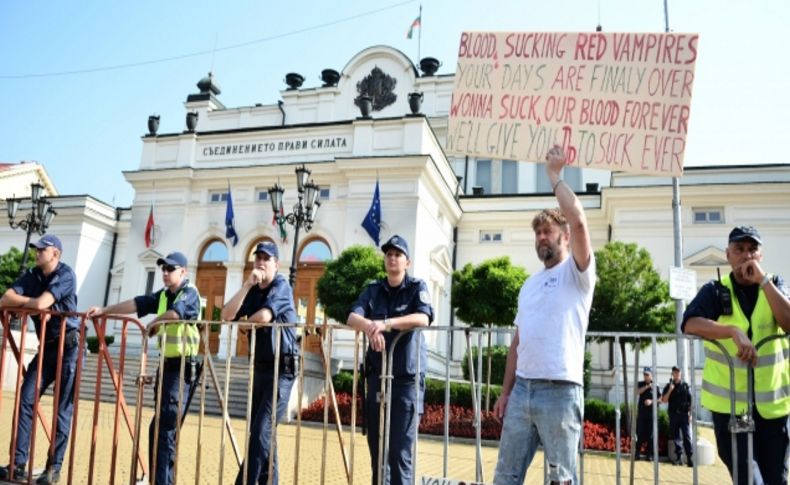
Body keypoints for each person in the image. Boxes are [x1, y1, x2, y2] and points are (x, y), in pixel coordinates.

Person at [492, 145, 595, 485]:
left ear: (564, 237)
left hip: (561, 392)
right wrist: (506, 393)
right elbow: (517, 343)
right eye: (537, 233)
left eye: (547, 231)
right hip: (522, 391)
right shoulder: (529, 285)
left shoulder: (578, 274)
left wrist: (555, 177)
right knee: (505, 478)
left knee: (561, 481)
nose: (541, 238)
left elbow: (579, 221)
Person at [683, 225, 790, 485]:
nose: (746, 256)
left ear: (761, 256)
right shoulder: (714, 290)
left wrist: (763, 281)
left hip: (773, 410)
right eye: (739, 249)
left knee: (776, 480)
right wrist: (732, 331)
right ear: (728, 254)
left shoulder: (774, 284)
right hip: (731, 410)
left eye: (752, 250)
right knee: (748, 480)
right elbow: (689, 324)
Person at [86, 251, 201, 485]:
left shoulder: (190, 292)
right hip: (166, 369)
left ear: (183, 271)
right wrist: (105, 310)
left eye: (171, 269)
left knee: (165, 431)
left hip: (181, 371)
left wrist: (156, 322)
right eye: (163, 269)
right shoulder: (163, 295)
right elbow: (138, 302)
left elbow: (176, 314)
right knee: (158, 429)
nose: (165, 273)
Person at [346, 234, 434, 485]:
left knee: (399, 453)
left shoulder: (417, 287)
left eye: (398, 254)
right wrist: (370, 327)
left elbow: (423, 318)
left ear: (407, 262)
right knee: (378, 451)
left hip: (406, 381)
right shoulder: (373, 290)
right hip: (377, 379)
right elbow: (352, 316)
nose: (392, 258)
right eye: (389, 254)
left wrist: (385, 323)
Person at [0, 235, 80, 485]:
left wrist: (33, 305)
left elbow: (45, 302)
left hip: (69, 348)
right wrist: (33, 304)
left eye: (41, 250)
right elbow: (4, 299)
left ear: (55, 253)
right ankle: (18, 462)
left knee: (62, 410)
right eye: (35, 249)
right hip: (46, 348)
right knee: (26, 399)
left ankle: (53, 469)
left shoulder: (66, 274)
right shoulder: (34, 275)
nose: (36, 253)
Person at [220, 241, 298, 485]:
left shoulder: (281, 286)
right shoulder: (253, 290)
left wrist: (243, 326)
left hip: (282, 371)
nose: (261, 263)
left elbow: (264, 317)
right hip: (262, 368)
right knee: (265, 434)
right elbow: (225, 315)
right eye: (258, 258)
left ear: (276, 263)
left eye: (266, 258)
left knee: (260, 432)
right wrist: (246, 285)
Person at [660, 365, 694, 466]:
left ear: (680, 374)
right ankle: (679, 458)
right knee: (676, 437)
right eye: (675, 372)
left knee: (687, 436)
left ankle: (689, 458)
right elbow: (664, 400)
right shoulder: (668, 386)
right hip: (673, 415)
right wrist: (670, 390)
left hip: (684, 415)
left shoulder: (685, 386)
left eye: (678, 372)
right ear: (672, 374)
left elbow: (691, 401)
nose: (677, 374)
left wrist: (690, 415)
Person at [634, 368, 658, 461]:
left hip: (651, 414)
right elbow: (637, 392)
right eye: (644, 375)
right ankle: (637, 453)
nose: (646, 377)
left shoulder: (655, 385)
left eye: (647, 375)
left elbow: (660, 399)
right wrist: (647, 387)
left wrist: (651, 401)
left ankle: (649, 455)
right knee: (639, 433)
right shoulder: (641, 384)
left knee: (650, 435)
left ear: (651, 375)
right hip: (642, 413)